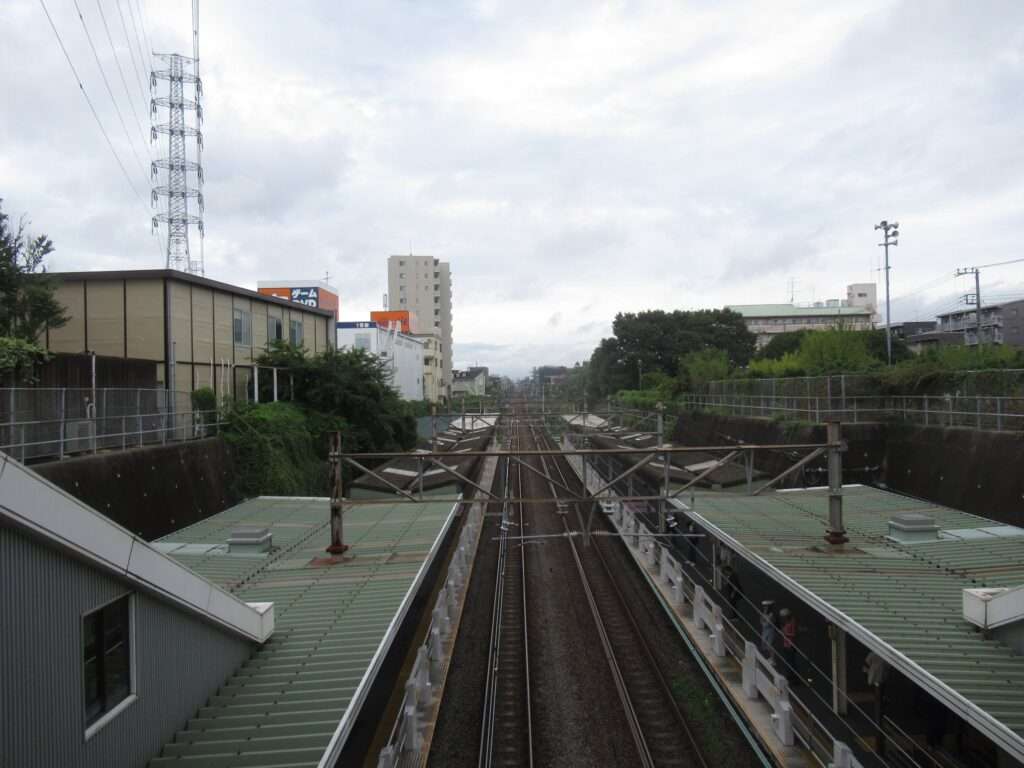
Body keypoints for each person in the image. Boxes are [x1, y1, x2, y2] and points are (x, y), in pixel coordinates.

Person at [780, 608, 798, 683]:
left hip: (790, 645)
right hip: (786, 644)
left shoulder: (792, 622)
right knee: (788, 661)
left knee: (791, 661)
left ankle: (792, 677)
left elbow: (793, 634)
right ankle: (789, 676)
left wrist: (785, 634)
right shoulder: (787, 623)